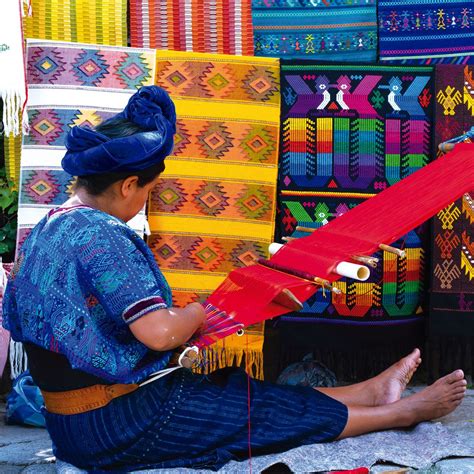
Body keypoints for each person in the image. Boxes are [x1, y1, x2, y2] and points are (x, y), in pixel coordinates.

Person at [2, 86, 467, 471]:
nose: (144, 201)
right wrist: (199, 311)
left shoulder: (48, 227)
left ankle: (365, 393)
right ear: (127, 185)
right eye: (147, 190)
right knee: (256, 415)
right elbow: (161, 333)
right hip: (117, 426)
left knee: (233, 392)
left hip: (76, 425)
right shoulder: (101, 236)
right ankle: (403, 412)